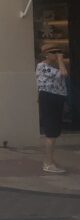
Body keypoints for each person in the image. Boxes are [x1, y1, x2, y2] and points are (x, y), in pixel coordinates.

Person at [37, 44, 69, 174]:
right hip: (49, 98)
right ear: (46, 54)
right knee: (51, 132)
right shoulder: (42, 66)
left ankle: (50, 160)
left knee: (54, 132)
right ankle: (48, 163)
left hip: (56, 99)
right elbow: (64, 74)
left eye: (59, 52)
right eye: (54, 52)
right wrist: (61, 60)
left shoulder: (53, 67)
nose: (57, 54)